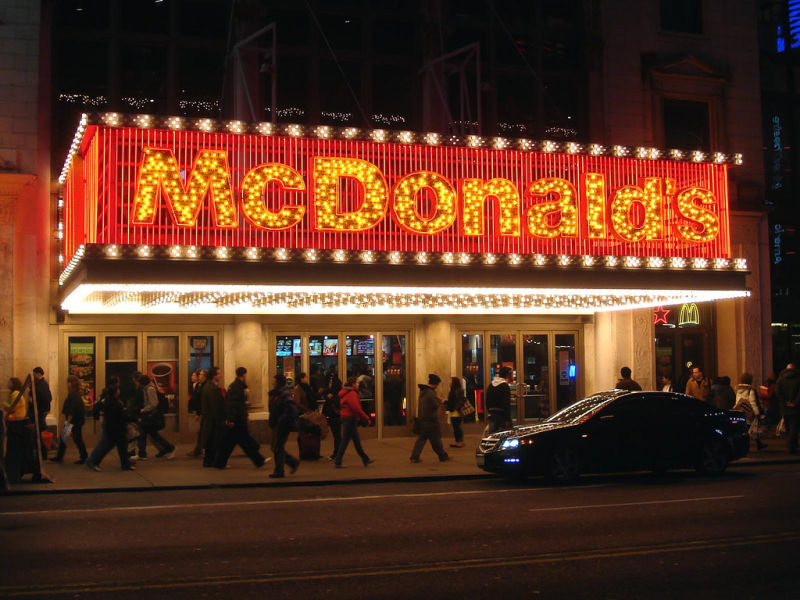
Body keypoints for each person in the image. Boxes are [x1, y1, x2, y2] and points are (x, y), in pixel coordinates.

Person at [214, 367, 268, 469]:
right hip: (237, 420)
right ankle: (259, 460)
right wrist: (232, 419)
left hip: (237, 419)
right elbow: (234, 405)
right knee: (242, 442)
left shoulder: (235, 386)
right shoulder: (237, 387)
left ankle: (220, 463)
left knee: (231, 443)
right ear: (243, 375)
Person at [85, 377, 134, 471]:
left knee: (119, 446)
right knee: (107, 445)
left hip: (113, 427)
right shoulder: (113, 403)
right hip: (115, 428)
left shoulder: (108, 400)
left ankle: (125, 464)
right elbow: (119, 415)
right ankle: (92, 461)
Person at [3, 377, 40, 483]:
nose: (8, 383)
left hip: (16, 422)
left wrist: (4, 405)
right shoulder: (16, 393)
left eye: (10, 382)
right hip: (17, 422)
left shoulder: (15, 394)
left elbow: (10, 406)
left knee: (16, 450)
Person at [334, 377, 374, 468]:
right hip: (350, 419)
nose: (358, 384)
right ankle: (338, 461)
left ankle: (365, 459)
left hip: (347, 418)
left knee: (356, 441)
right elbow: (356, 408)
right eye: (356, 383)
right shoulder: (352, 393)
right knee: (346, 441)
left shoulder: (346, 393)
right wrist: (366, 417)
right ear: (352, 384)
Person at [410, 373, 449, 463]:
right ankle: (442, 456)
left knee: (423, 439)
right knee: (435, 440)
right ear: (435, 384)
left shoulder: (424, 391)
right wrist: (440, 400)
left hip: (423, 419)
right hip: (430, 420)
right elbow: (435, 405)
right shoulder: (430, 393)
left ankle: (415, 457)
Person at [136, 374, 175, 460]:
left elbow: (154, 403)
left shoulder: (150, 389)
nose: (138, 384)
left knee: (150, 434)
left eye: (139, 382)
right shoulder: (147, 388)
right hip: (148, 414)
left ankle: (170, 448)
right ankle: (142, 453)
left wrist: (144, 409)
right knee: (149, 434)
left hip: (149, 414)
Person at [269, 374, 301, 478]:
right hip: (278, 424)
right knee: (277, 447)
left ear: (278, 382)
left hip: (282, 425)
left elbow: (291, 409)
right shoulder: (278, 393)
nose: (272, 382)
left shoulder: (285, 393)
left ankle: (280, 470)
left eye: (274, 381)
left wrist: (280, 420)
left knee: (278, 447)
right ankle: (291, 463)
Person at [54, 375, 88, 464]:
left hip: (73, 421)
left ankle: (84, 457)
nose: (67, 384)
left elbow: (72, 409)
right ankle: (60, 456)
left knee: (75, 439)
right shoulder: (75, 394)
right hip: (75, 421)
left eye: (68, 382)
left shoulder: (73, 395)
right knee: (68, 439)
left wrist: (68, 422)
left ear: (70, 384)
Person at [733, 372, 766, 451]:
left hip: (740, 411)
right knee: (751, 428)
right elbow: (753, 402)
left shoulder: (738, 389)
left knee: (745, 430)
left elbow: (737, 401)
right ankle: (748, 447)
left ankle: (758, 444)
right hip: (749, 412)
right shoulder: (751, 390)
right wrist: (757, 413)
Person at [200, 366, 225, 467]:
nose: (221, 375)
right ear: (214, 376)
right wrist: (220, 419)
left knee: (211, 441)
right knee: (213, 441)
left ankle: (209, 461)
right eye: (219, 373)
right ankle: (211, 461)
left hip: (210, 419)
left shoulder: (209, 386)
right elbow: (215, 406)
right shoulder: (211, 388)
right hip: (212, 420)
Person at [775, 361, 800, 454]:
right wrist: (794, 402)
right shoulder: (798, 378)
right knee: (794, 426)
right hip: (796, 407)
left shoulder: (781, 379)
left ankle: (791, 445)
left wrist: (785, 401)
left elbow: (777, 391)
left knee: (788, 426)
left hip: (784, 407)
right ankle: (792, 445)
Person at [321, 368, 343, 460]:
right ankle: (338, 453)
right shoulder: (335, 393)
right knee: (338, 436)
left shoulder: (334, 395)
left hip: (335, 417)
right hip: (336, 417)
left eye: (330, 382)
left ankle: (337, 453)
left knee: (337, 436)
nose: (329, 383)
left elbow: (330, 406)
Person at [485, 366, 512, 434]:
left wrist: (489, 411)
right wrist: (508, 419)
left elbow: (487, 400)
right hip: (501, 415)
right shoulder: (505, 386)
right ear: (507, 375)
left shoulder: (491, 384)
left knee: (492, 433)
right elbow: (506, 403)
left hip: (492, 413)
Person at [32, 367, 52, 460]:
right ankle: (42, 453)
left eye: (35, 374)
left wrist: (35, 400)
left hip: (40, 410)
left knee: (39, 431)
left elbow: (46, 398)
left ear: (38, 374)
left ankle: (43, 453)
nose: (34, 376)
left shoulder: (41, 384)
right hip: (43, 410)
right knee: (39, 431)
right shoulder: (43, 384)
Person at [186, 369, 206, 458]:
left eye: (195, 375)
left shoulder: (202, 386)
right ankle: (199, 450)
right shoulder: (196, 386)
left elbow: (200, 400)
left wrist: (198, 413)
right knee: (201, 432)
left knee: (201, 432)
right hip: (199, 411)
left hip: (202, 412)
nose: (192, 377)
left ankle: (199, 450)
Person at [446, 377, 467, 448]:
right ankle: (457, 441)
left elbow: (460, 400)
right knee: (455, 427)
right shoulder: (453, 390)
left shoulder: (457, 391)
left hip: (456, 412)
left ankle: (460, 441)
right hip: (453, 411)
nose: (449, 382)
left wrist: (456, 407)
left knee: (457, 427)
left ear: (454, 382)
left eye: (450, 381)